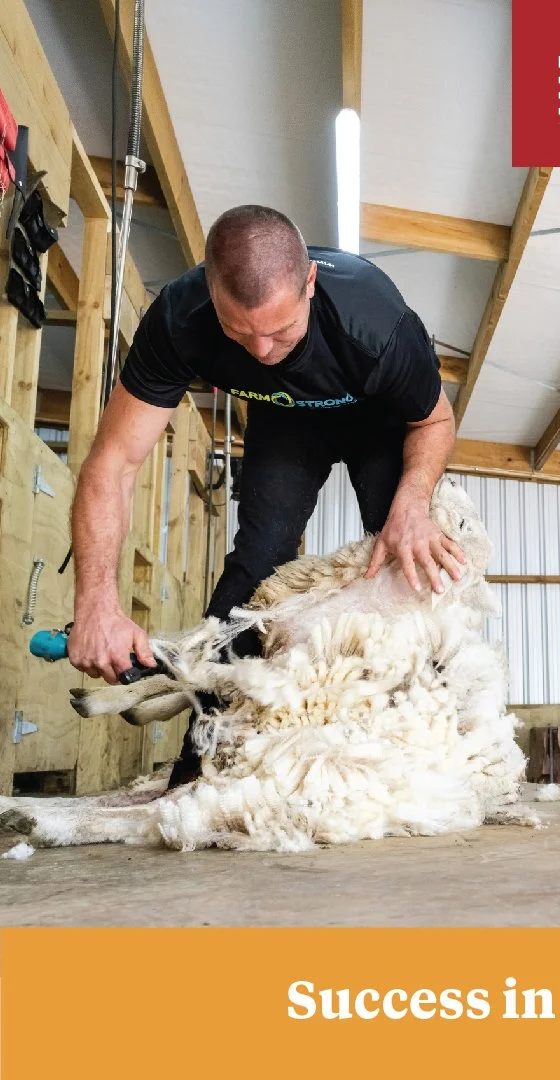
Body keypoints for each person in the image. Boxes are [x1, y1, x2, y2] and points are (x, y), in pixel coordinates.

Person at [67, 204, 464, 786]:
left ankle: (433, 743)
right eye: (238, 331)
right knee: (258, 562)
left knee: (404, 563)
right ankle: (203, 758)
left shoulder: (376, 323)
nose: (260, 351)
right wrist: (95, 604)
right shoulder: (179, 319)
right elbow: (113, 462)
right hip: (285, 419)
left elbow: (435, 420)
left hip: (379, 420)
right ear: (210, 292)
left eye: (281, 331)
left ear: (310, 283)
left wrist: (412, 506)